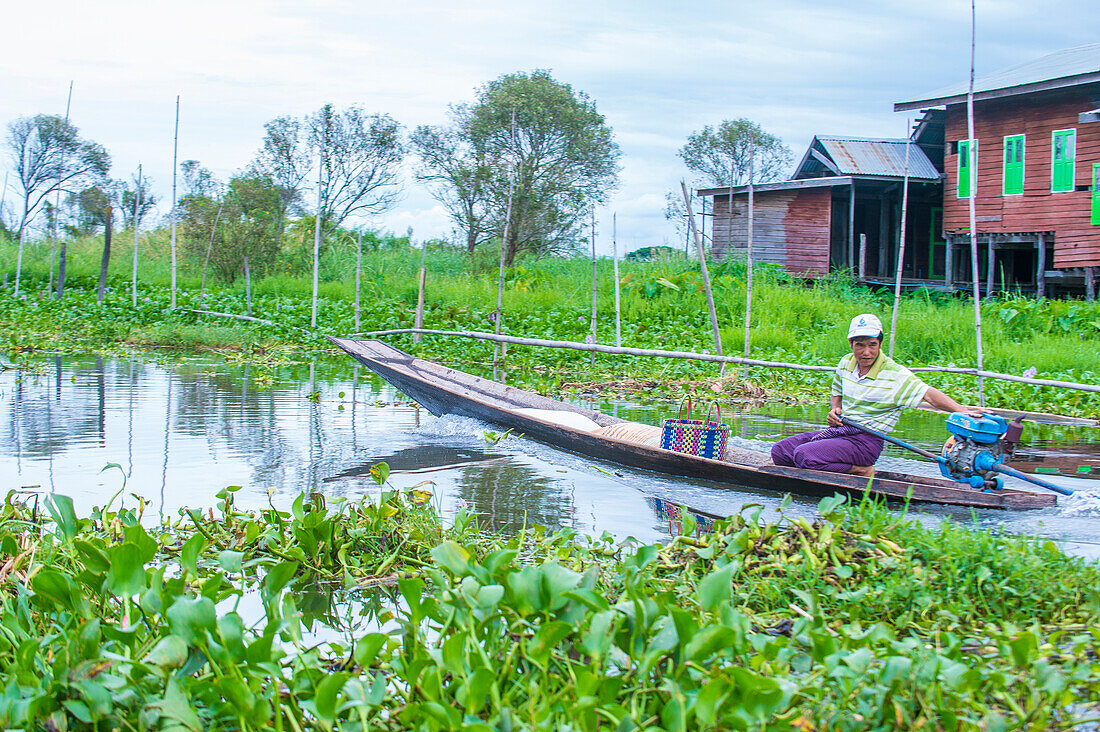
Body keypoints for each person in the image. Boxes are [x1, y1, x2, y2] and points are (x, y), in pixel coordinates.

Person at [770, 313, 973, 477]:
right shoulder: (846, 363)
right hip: (841, 433)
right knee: (780, 451)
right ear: (851, 344)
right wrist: (835, 409)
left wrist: (963, 411)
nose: (866, 352)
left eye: (872, 345)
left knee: (805, 455)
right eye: (860, 345)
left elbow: (929, 394)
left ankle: (860, 471)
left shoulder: (894, 374)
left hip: (865, 442)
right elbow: (837, 391)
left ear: (880, 344)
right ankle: (818, 474)